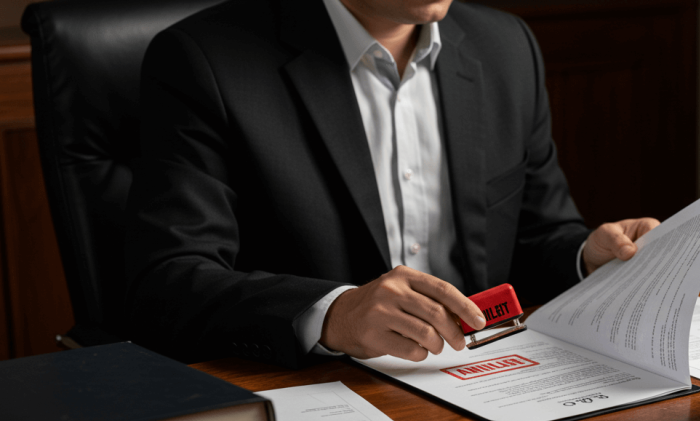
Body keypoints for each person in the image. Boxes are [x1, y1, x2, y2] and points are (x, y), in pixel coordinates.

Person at [124, 0, 658, 368]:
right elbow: (169, 280)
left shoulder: (506, 47)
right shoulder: (203, 60)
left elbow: (539, 235)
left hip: (487, 380)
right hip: (319, 394)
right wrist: (334, 314)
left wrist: (588, 258)